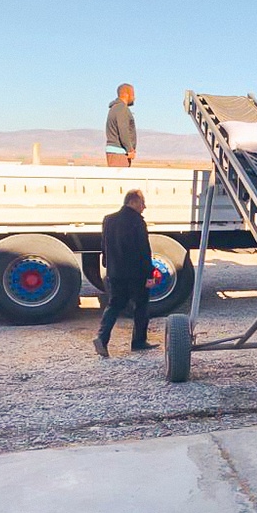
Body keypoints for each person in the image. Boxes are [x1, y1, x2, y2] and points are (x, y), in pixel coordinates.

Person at [93, 190, 158, 356]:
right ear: (133, 202)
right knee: (141, 305)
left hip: (115, 272)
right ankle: (139, 341)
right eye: (142, 203)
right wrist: (149, 274)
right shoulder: (137, 222)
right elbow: (144, 250)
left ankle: (102, 338)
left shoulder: (109, 219)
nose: (144, 207)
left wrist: (107, 264)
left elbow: (104, 244)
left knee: (114, 305)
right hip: (136, 273)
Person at [106, 84, 136, 166]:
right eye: (132, 94)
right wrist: (130, 149)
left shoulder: (116, 108)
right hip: (119, 152)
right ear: (126, 94)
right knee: (120, 177)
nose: (134, 98)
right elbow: (123, 130)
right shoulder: (121, 109)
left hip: (118, 152)